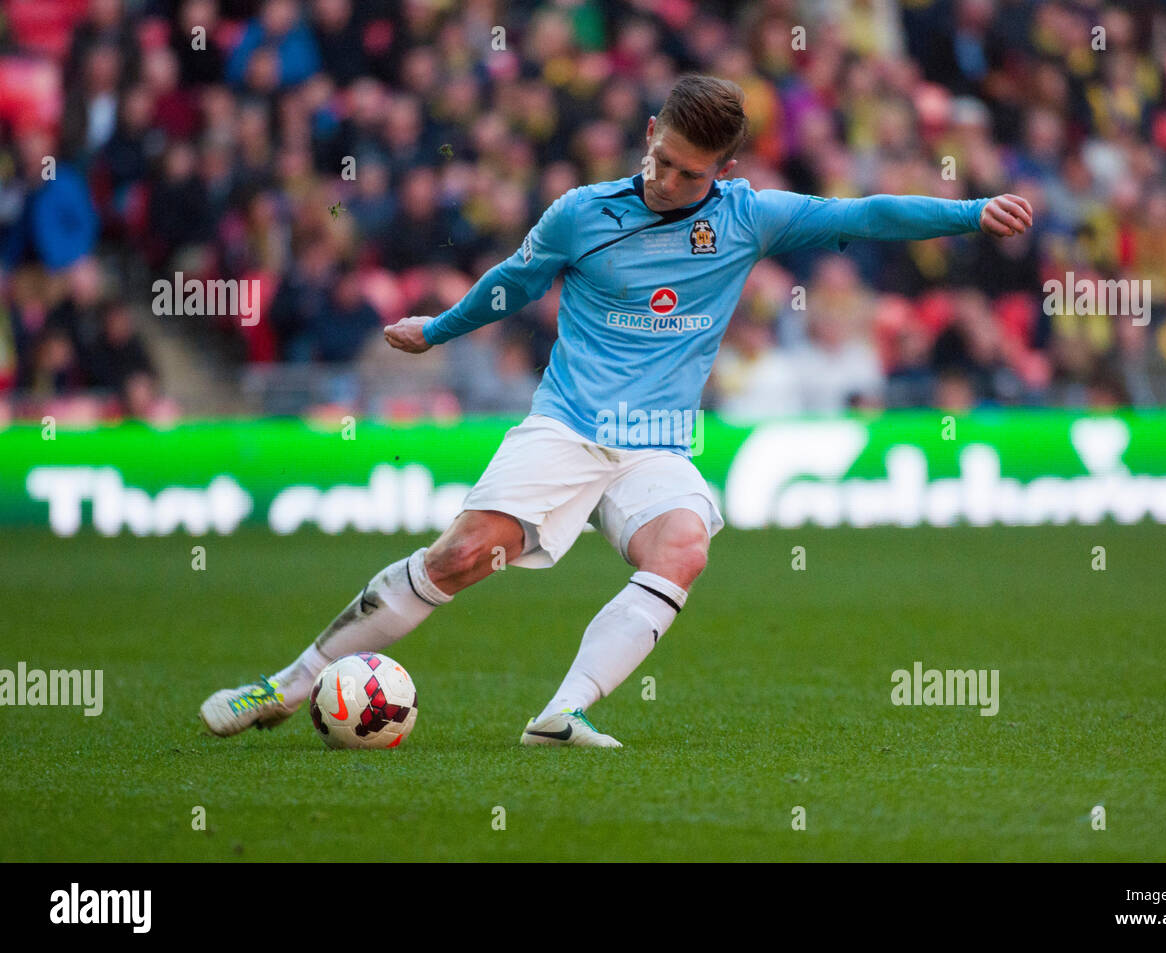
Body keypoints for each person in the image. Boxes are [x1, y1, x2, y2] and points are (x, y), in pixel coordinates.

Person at [200, 74, 1033, 747]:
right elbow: (513, 283)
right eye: (665, 160)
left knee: (684, 543)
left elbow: (865, 215)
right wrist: (440, 328)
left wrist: (970, 212)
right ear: (648, 132)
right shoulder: (582, 214)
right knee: (460, 556)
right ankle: (291, 680)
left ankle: (561, 715)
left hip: (656, 443)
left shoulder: (748, 217)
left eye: (692, 174)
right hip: (568, 425)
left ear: (724, 171)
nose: (672, 182)